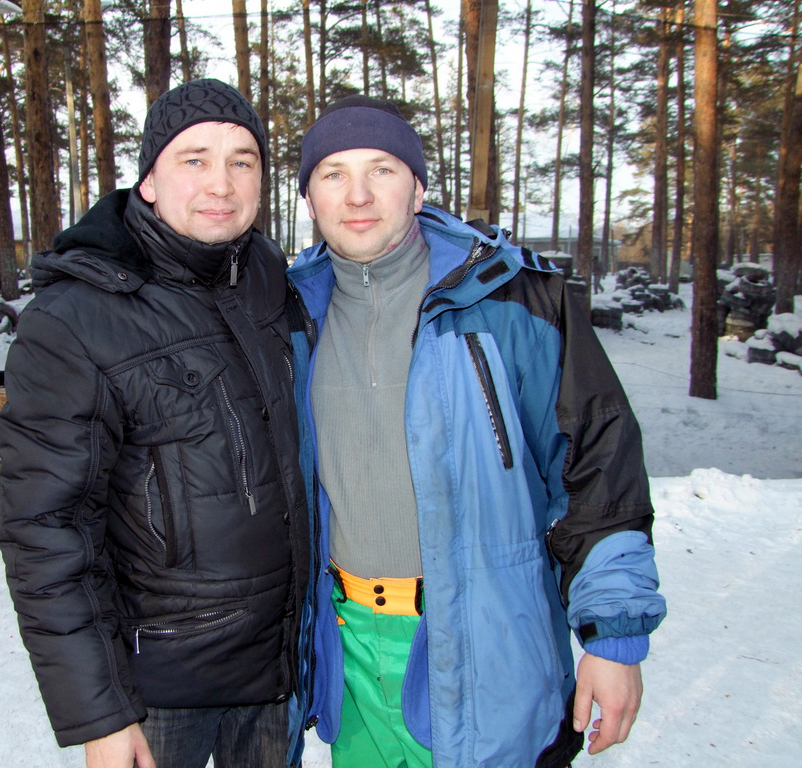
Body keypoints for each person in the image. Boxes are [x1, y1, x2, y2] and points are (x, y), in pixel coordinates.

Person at [286, 95, 667, 768]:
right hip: (349, 650)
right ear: (310, 200)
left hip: (483, 644)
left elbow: (596, 468)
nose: (358, 194)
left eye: (382, 170)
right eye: (333, 174)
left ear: (418, 189)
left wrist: (612, 636)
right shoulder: (291, 318)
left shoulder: (509, 300)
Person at [0, 79, 310, 768]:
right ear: (148, 181)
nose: (221, 184)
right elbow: (45, 530)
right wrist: (102, 714)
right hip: (159, 690)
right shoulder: (76, 319)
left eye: (242, 161)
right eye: (194, 159)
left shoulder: (265, 278)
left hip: (273, 674)